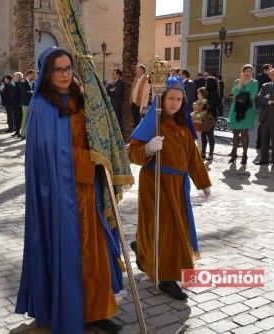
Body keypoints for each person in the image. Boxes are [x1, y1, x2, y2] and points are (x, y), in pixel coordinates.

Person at [15, 47, 124, 334]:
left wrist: (105, 150)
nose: (64, 75)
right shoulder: (42, 106)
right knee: (70, 254)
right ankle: (69, 310)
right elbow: (50, 154)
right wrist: (91, 160)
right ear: (46, 73)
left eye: (68, 68)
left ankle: (97, 310)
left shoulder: (83, 98)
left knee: (95, 252)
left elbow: (99, 133)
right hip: (61, 195)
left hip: (90, 193)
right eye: (57, 69)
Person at [128, 76, 211, 300]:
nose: (174, 102)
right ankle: (166, 277)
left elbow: (193, 157)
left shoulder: (184, 125)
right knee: (164, 228)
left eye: (179, 98)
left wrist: (203, 183)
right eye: (170, 98)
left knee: (175, 228)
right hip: (156, 181)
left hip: (178, 185)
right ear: (161, 99)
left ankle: (142, 249)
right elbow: (131, 151)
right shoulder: (153, 122)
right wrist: (148, 149)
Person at [228, 64, 259, 165]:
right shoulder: (237, 81)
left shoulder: (255, 82)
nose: (248, 73)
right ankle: (234, 154)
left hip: (248, 110)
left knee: (245, 133)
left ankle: (244, 155)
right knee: (235, 133)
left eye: (250, 71)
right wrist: (240, 84)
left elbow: (253, 95)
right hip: (236, 109)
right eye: (246, 71)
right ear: (243, 72)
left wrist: (241, 95)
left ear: (252, 73)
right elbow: (234, 93)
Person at [202, 76, 221, 160]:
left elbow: (212, 104)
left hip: (211, 116)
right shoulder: (205, 91)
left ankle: (211, 154)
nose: (206, 84)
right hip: (203, 115)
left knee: (210, 135)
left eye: (207, 82)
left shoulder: (215, 93)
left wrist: (204, 102)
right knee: (203, 134)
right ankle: (203, 152)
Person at [191, 87, 209, 152]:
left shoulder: (204, 101)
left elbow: (201, 112)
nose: (198, 94)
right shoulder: (198, 101)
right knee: (194, 137)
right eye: (198, 93)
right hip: (196, 120)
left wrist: (193, 114)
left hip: (199, 121)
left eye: (199, 93)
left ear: (202, 94)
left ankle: (199, 153)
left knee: (198, 138)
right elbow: (195, 109)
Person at [19, 70, 35, 139]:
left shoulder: (32, 82)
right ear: (29, 74)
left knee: (29, 118)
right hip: (25, 103)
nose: (34, 77)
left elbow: (29, 91)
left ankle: (28, 132)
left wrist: (30, 91)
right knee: (25, 118)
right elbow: (24, 93)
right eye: (33, 75)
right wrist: (32, 92)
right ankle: (23, 134)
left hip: (31, 103)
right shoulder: (23, 82)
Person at [11, 72, 24, 138]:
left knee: (19, 118)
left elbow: (22, 95)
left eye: (15, 76)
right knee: (16, 118)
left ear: (19, 77)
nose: (13, 77)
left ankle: (20, 132)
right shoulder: (15, 84)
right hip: (14, 104)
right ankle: (17, 131)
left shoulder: (21, 84)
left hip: (18, 105)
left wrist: (20, 104)